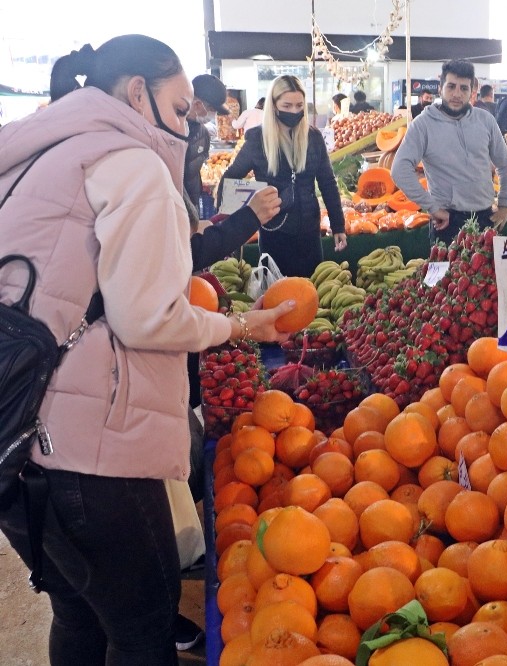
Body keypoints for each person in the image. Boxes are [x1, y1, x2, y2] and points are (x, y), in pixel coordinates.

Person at [0, 34, 297, 666]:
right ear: (139, 93)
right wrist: (243, 326)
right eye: (183, 107)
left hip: (15, 432)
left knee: (78, 612)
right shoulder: (131, 163)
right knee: (142, 630)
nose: (191, 124)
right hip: (91, 452)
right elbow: (147, 318)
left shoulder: (37, 153)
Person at [221, 74, 348, 277]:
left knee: (310, 294)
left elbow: (328, 182)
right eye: (287, 106)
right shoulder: (258, 140)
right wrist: (237, 224)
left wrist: (338, 224)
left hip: (310, 233)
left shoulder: (313, 137)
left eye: (299, 105)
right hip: (273, 232)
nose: (294, 111)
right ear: (273, 105)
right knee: (276, 296)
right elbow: (229, 179)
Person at [391, 59, 507, 246]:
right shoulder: (423, 125)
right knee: (447, 274)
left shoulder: (486, 120)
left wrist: (504, 204)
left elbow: (504, 164)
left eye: (464, 88)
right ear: (440, 89)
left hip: (486, 218)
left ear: (472, 92)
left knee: (487, 275)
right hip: (447, 222)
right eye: (451, 86)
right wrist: (431, 207)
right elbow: (399, 169)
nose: (457, 94)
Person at [182, 74, 230, 204]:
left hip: (192, 205)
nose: (213, 115)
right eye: (211, 109)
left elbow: (194, 174)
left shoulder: (203, 134)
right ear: (197, 104)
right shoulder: (173, 129)